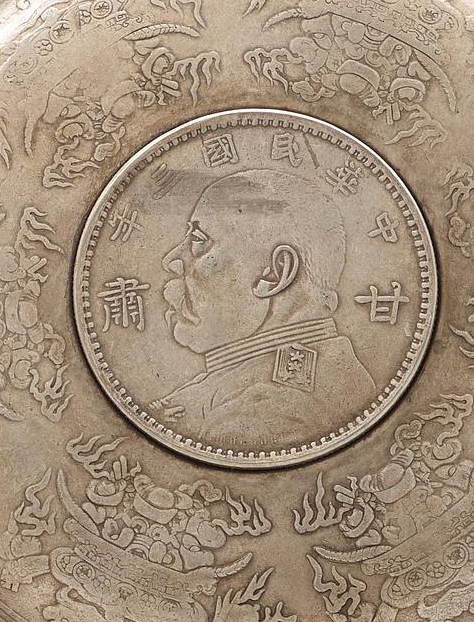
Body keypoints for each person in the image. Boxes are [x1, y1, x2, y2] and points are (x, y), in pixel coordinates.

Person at [154, 166, 375, 450]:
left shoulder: (268, 414)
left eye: (199, 240)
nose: (171, 259)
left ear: (274, 274)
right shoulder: (247, 378)